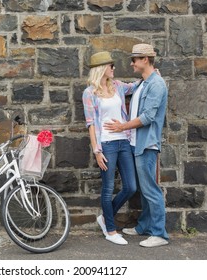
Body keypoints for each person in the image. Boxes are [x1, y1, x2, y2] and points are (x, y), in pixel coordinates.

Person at [104, 43, 169, 248]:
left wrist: (122, 126)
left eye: (134, 59)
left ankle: (159, 234)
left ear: (145, 60)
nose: (131, 63)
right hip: (135, 142)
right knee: (143, 188)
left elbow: (149, 116)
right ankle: (144, 227)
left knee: (151, 189)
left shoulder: (156, 84)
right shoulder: (144, 82)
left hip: (146, 144)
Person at [82, 51, 138, 245]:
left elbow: (137, 86)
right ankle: (111, 231)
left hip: (124, 141)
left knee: (131, 187)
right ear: (102, 69)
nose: (114, 68)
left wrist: (152, 74)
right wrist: (96, 150)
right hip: (106, 144)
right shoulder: (89, 93)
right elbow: (91, 124)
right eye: (111, 66)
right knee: (108, 189)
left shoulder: (118, 86)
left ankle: (106, 218)